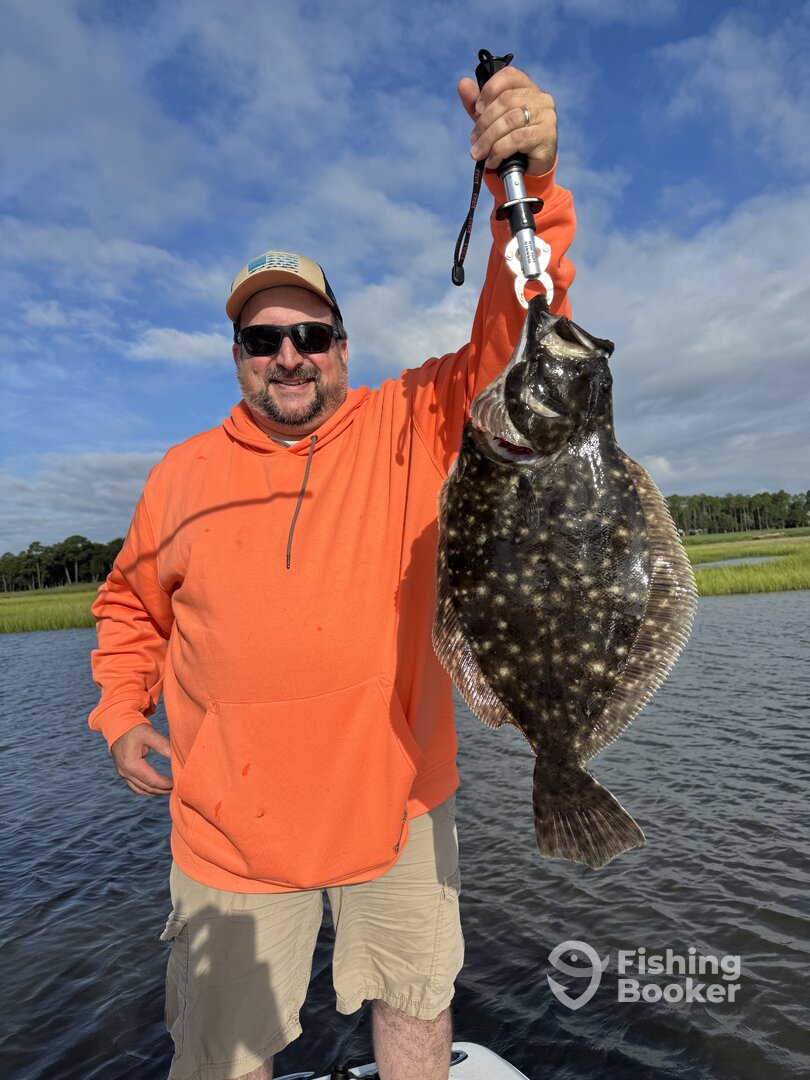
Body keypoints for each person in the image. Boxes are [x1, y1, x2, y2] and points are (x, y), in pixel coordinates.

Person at [89, 66, 576, 1080]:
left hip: (398, 812)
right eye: (262, 339)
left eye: (310, 334)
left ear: (343, 346)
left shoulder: (412, 421)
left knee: (416, 1011)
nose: (289, 356)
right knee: (223, 1052)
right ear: (235, 354)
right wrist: (122, 713)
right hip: (228, 835)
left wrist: (526, 189)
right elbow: (129, 609)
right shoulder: (178, 476)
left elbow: (513, 340)